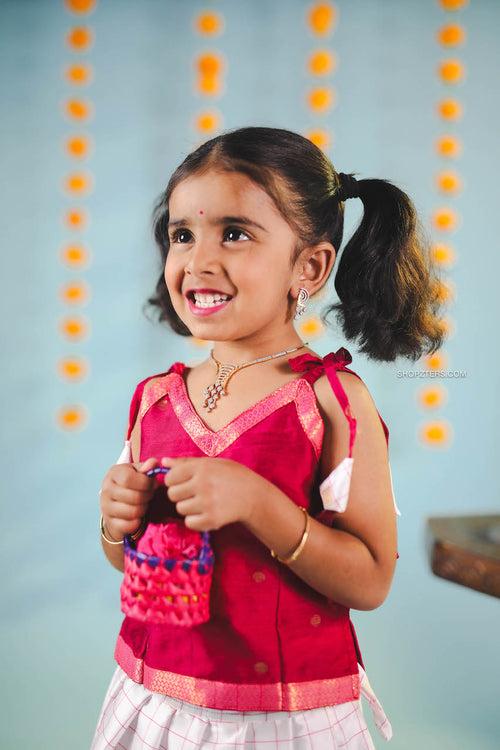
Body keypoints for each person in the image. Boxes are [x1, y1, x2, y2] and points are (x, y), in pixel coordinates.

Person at [91, 126, 444, 749]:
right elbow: (133, 566)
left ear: (309, 266)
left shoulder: (331, 401)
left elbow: (370, 582)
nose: (198, 261)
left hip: (279, 717)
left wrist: (260, 506)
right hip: (153, 699)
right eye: (182, 235)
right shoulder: (154, 398)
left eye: (234, 233)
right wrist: (115, 523)